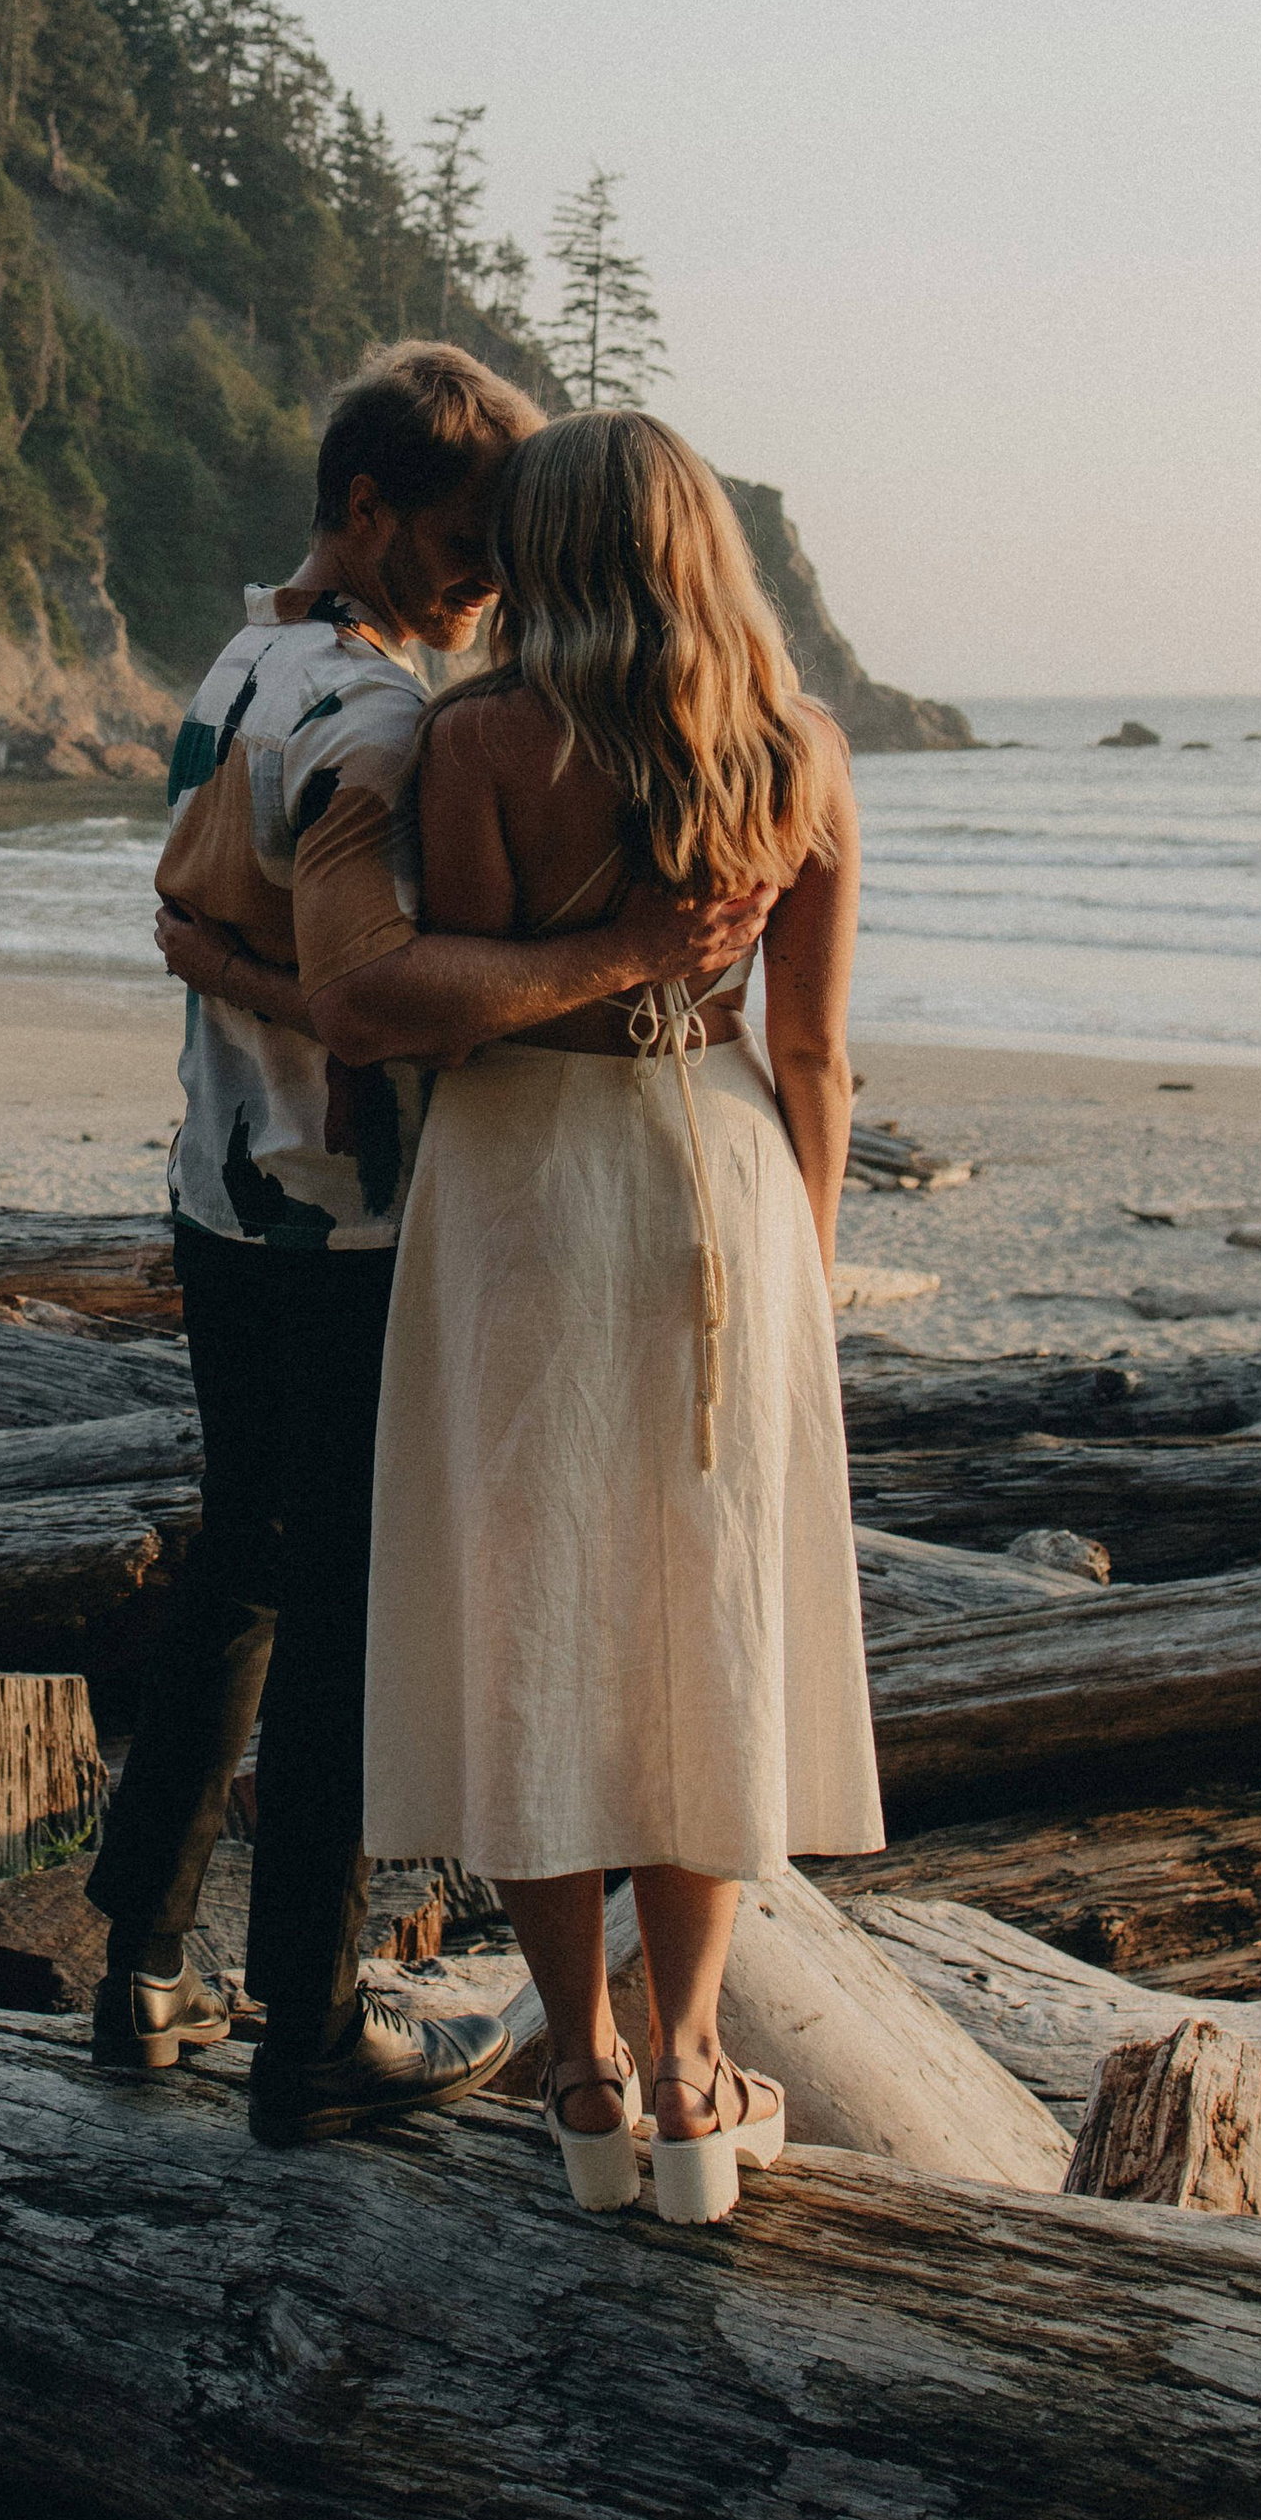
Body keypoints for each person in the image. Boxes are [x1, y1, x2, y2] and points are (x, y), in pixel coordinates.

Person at [93, 342, 767, 2149]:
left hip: (220, 1182)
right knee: (345, 1621)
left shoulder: (248, 660)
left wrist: (232, 970)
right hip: (351, 1209)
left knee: (243, 1564)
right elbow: (380, 997)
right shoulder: (385, 715)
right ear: (368, 509)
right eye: (471, 544)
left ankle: (144, 1971)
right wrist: (629, 954)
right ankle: (310, 2029)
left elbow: (191, 904)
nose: (494, 584)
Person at [361, 407, 884, 2221]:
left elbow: (486, 994)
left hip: (522, 1182)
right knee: (701, 1607)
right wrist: (803, 1262)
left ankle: (577, 2065)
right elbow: (809, 1049)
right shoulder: (796, 747)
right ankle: (692, 2067)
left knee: (538, 1606)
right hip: (718, 1180)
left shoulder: (482, 739)